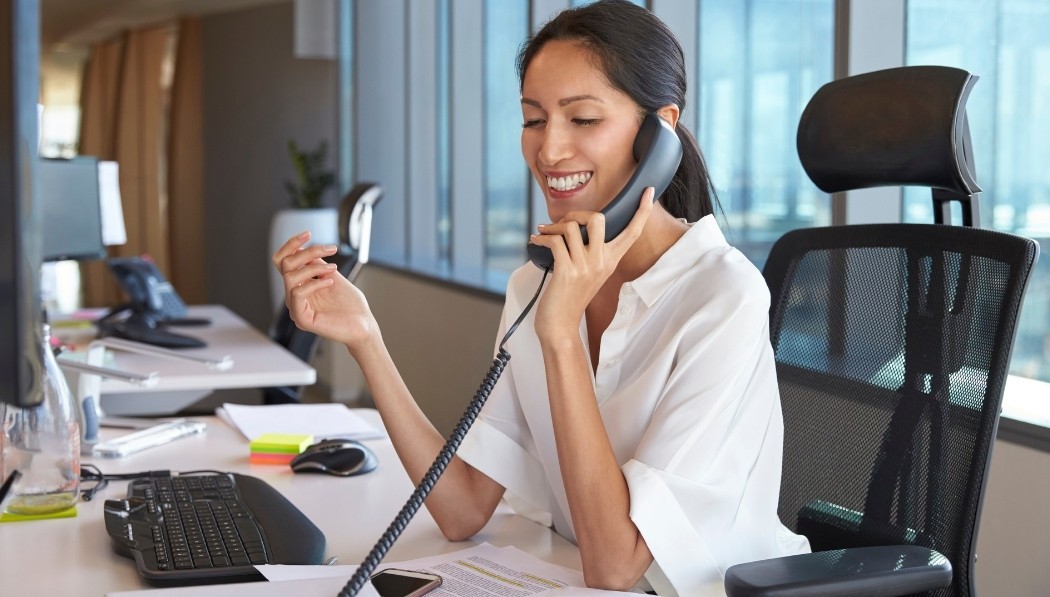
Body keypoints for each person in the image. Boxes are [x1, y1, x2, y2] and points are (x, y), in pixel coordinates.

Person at [273, 1, 809, 594]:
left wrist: (559, 338)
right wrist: (366, 339)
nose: (549, 151)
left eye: (582, 120)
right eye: (533, 119)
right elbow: (462, 508)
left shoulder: (721, 296)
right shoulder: (535, 284)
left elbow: (615, 565)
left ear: (659, 133)